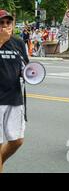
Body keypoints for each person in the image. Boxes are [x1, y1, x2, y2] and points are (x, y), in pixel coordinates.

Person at [0, 10, 29, 173]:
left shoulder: (18, 42)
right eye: (1, 23)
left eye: (8, 23)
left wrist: (29, 73)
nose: (5, 26)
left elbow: (26, 65)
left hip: (14, 98)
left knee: (17, 141)